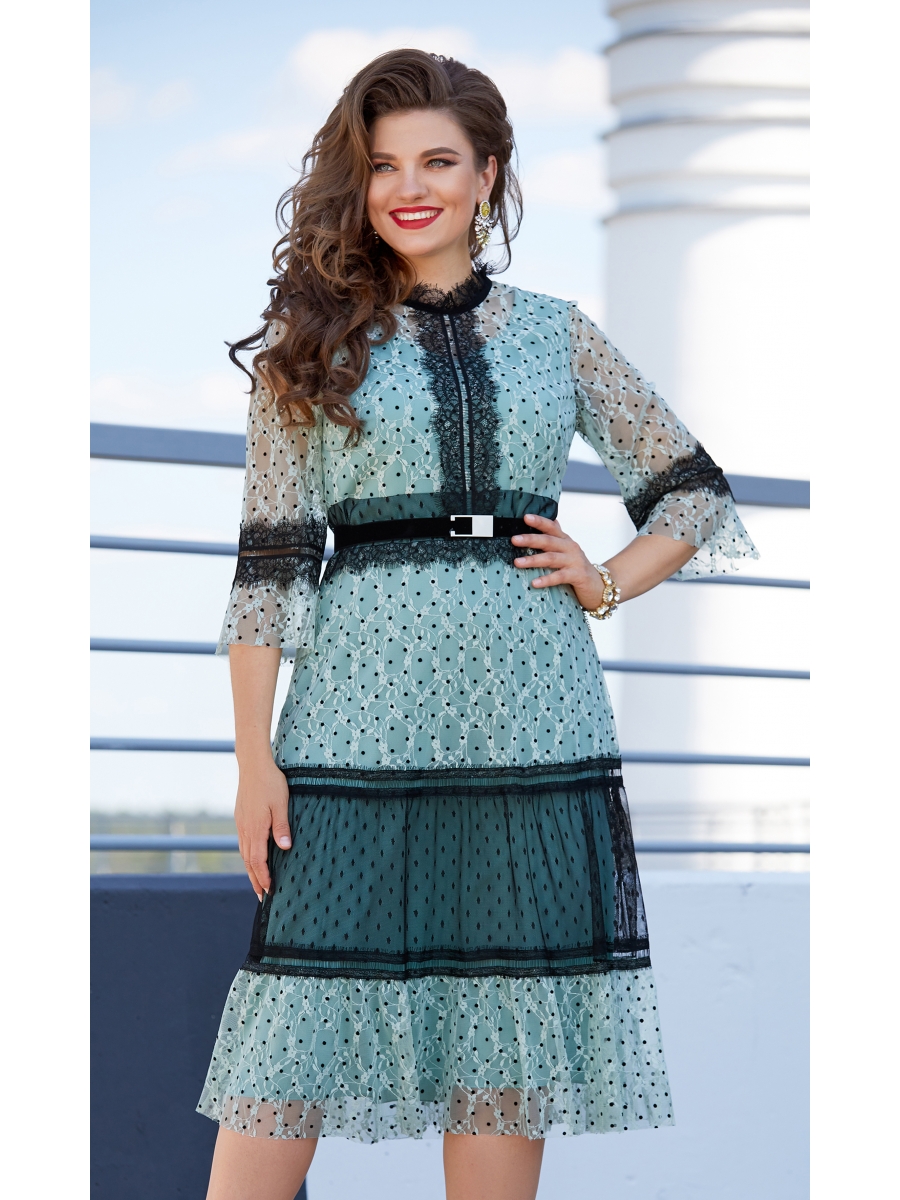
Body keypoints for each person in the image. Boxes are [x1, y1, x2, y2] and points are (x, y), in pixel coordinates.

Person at [198, 48, 757, 1200]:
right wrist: (254, 760)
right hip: (355, 717)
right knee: (290, 1033)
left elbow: (692, 492)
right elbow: (271, 566)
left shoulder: (557, 333)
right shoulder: (311, 346)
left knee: (506, 1037)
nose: (411, 187)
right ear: (357, 183)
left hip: (532, 713)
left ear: (487, 174)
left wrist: (607, 579)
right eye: (384, 165)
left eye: (439, 161)